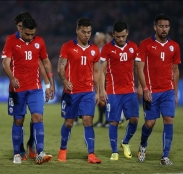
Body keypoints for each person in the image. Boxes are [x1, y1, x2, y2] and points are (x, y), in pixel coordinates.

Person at [2, 16, 55, 164]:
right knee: (19, 120)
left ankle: (40, 152)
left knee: (38, 117)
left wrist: (50, 83)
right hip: (17, 89)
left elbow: (45, 61)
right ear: (21, 29)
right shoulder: (11, 41)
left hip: (35, 88)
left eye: (33, 34)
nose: (30, 37)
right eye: (27, 34)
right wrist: (12, 78)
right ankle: (17, 153)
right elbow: (5, 63)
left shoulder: (39, 42)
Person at [136, 13, 180, 165]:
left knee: (168, 119)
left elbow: (175, 70)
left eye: (166, 26)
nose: (164, 29)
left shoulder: (174, 46)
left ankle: (165, 156)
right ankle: (143, 145)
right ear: (155, 27)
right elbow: (139, 68)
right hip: (152, 91)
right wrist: (145, 88)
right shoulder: (145, 44)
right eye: (161, 26)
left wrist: (175, 93)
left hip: (167, 90)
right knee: (150, 123)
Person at [57, 17, 101, 164]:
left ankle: (91, 154)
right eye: (83, 32)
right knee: (69, 122)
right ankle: (63, 150)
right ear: (77, 30)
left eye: (89, 32)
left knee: (88, 121)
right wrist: (64, 81)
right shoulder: (67, 47)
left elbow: (96, 72)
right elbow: (61, 67)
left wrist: (99, 91)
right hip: (71, 92)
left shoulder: (94, 50)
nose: (86, 35)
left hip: (88, 91)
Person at [99, 21, 139, 161]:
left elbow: (138, 69)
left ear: (127, 33)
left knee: (134, 119)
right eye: (118, 37)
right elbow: (101, 71)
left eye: (123, 36)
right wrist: (102, 90)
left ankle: (125, 142)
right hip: (113, 92)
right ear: (113, 35)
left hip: (129, 91)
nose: (121, 39)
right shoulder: (107, 49)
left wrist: (142, 86)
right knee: (113, 122)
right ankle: (114, 151)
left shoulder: (134, 47)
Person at [92, 31, 107, 128]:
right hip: (96, 76)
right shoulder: (95, 49)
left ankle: (108, 120)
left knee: (104, 99)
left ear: (102, 38)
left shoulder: (105, 49)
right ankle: (101, 120)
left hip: (104, 77)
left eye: (97, 37)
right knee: (98, 99)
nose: (95, 38)